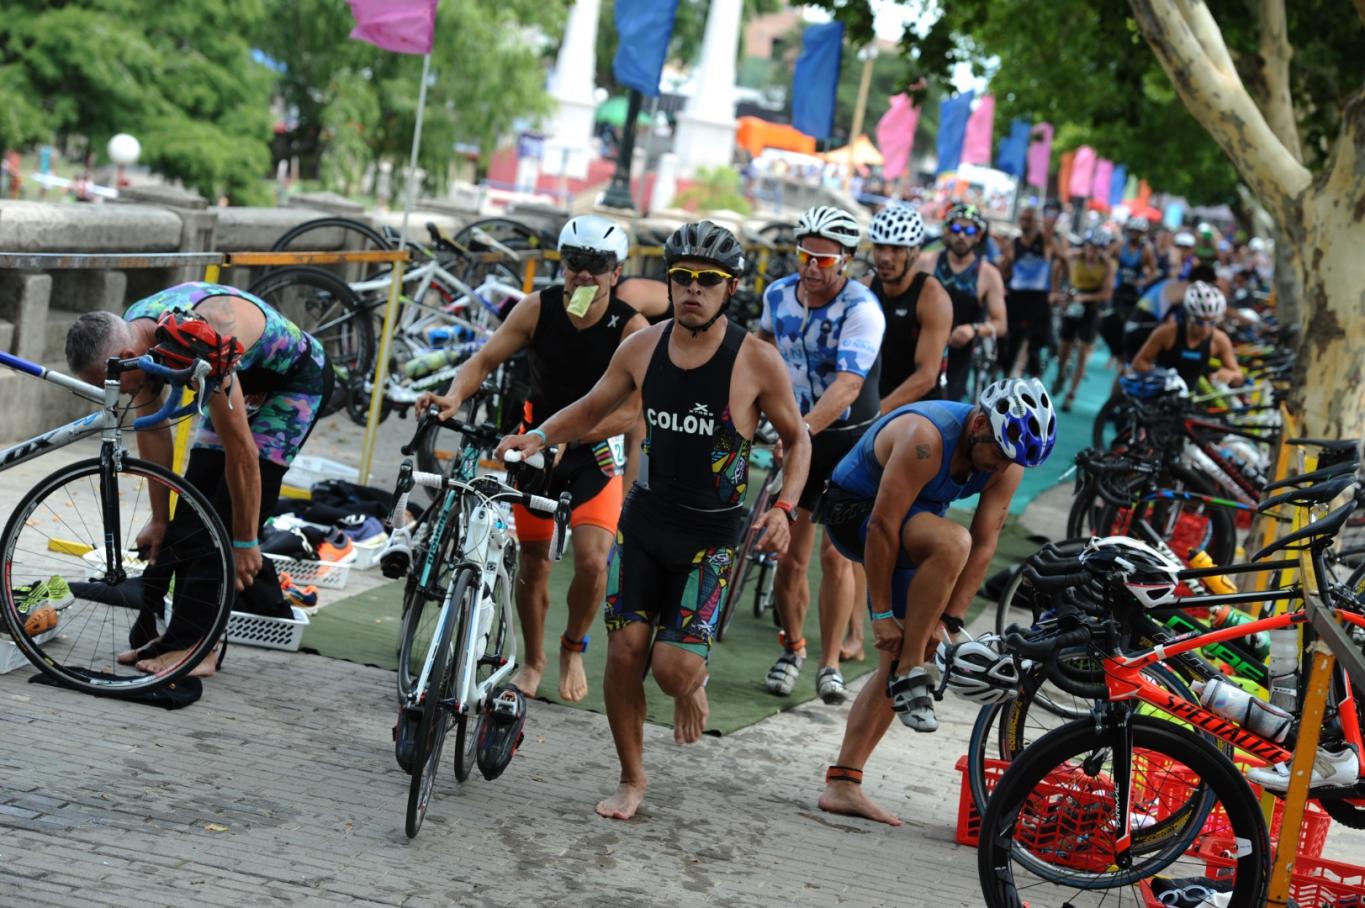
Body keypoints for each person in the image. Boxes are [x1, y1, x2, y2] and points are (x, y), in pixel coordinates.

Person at [495, 220, 811, 821]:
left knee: (670, 671)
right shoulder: (642, 347)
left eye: (707, 280)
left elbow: (799, 443)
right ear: (668, 283)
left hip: (710, 538)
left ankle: (693, 681)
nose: (693, 289)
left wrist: (785, 508)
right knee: (621, 656)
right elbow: (591, 407)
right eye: (682, 278)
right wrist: (537, 437)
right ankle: (632, 779)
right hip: (644, 525)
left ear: (730, 288)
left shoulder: (756, 361)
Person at [419, 214, 649, 703]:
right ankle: (533, 659)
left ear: (616, 272)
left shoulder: (631, 326)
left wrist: (575, 435)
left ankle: (571, 647)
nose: (584, 274)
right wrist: (454, 396)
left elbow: (632, 410)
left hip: (595, 453)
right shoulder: (536, 309)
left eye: (597, 265)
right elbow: (483, 361)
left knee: (591, 562)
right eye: (575, 263)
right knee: (534, 562)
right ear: (562, 265)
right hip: (534, 448)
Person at [815, 378, 1057, 825]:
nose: (1002, 467)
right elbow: (881, 527)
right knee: (951, 544)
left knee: (914, 640)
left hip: (913, 523)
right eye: (999, 454)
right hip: (856, 513)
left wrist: (949, 619)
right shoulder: (924, 438)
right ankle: (912, 670)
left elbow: (988, 542)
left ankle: (843, 782)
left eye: (1012, 461)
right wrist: (882, 614)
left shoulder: (1008, 458)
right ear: (980, 423)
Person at [64, 282, 334, 676]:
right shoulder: (139, 338)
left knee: (221, 524)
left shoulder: (197, 341)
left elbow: (243, 453)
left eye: (111, 385)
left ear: (125, 357)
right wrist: (160, 519)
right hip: (236, 378)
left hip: (292, 382)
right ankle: (179, 637)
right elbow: (153, 432)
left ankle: (200, 648)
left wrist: (245, 540)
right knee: (191, 516)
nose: (113, 394)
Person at [758, 205, 885, 704]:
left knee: (836, 556)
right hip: (800, 431)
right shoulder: (777, 295)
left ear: (847, 262)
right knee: (789, 557)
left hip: (848, 439)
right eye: (805, 256)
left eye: (825, 261)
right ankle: (792, 647)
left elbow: (849, 386)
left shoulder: (862, 309)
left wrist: (801, 431)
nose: (811, 268)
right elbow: (758, 351)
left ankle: (831, 664)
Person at [845, 204, 952, 662]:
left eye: (895, 249)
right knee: (854, 528)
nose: (885, 256)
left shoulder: (932, 296)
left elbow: (927, 375)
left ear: (913, 253)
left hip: (919, 421)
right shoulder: (866, 290)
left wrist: (878, 415)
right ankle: (855, 632)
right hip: (874, 416)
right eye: (880, 246)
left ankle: (919, 626)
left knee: (900, 526)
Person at [924, 203, 1007, 402]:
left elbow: (1000, 324)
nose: (962, 235)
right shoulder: (926, 262)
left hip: (958, 358)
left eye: (969, 230)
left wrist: (973, 329)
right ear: (947, 231)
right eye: (956, 229)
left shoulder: (988, 274)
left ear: (978, 236)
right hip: (922, 349)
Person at [1132, 281, 1244, 389]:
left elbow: (1238, 374)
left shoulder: (1219, 340)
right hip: (1162, 393)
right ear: (1189, 316)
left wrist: (1230, 375)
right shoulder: (1167, 333)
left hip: (1192, 398)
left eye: (1212, 323)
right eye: (1199, 322)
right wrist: (1161, 376)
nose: (1205, 329)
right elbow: (1139, 363)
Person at [1052, 229, 1115, 411]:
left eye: (1098, 248)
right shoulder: (1073, 256)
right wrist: (1056, 291)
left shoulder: (1107, 265)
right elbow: (1058, 265)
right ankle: (1061, 373)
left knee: (1083, 352)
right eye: (1090, 247)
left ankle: (1071, 394)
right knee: (1064, 346)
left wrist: (1084, 298)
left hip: (1091, 306)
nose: (1092, 251)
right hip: (1073, 301)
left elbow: (1107, 292)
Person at [997, 206, 1056, 379]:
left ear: (1036, 222)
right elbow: (1004, 269)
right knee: (1010, 342)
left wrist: (1056, 288)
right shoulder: (1013, 244)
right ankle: (1007, 376)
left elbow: (1063, 260)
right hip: (1017, 298)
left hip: (1038, 299)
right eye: (1023, 219)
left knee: (1035, 345)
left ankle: (1034, 379)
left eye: (1029, 220)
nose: (1025, 223)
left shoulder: (1045, 242)